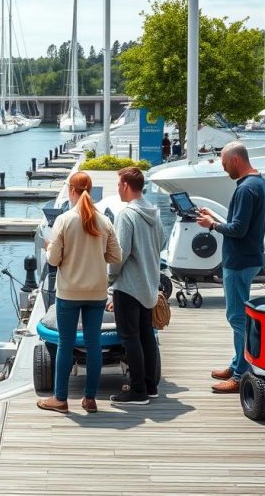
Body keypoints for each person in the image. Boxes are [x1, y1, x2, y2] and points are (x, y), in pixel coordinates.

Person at [38, 172, 121, 414]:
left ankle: (60, 399)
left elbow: (53, 260)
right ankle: (90, 398)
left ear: (72, 191)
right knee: (93, 344)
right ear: (90, 190)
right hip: (96, 291)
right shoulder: (104, 221)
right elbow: (116, 256)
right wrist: (97, 256)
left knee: (65, 343)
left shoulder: (64, 220)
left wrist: (49, 247)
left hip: (69, 292)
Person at [196, 141, 265, 393]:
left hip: (239, 261)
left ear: (236, 160)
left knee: (237, 318)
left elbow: (238, 229)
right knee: (241, 316)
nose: (224, 167)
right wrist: (215, 218)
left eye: (225, 163)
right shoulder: (259, 182)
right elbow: (242, 223)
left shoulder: (246, 189)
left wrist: (211, 225)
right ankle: (237, 362)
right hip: (249, 257)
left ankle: (241, 375)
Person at [105, 167, 164, 405]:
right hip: (149, 284)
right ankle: (150, 386)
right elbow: (162, 241)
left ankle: (137, 390)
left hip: (129, 287)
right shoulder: (154, 212)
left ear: (127, 185)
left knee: (130, 338)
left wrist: (110, 279)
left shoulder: (126, 215)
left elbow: (119, 255)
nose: (117, 189)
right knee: (147, 335)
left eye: (119, 184)